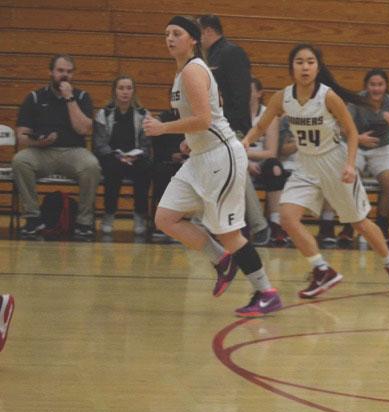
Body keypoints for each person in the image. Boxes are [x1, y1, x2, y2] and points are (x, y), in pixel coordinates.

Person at [242, 43, 389, 299]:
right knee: (286, 217)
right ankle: (322, 270)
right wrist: (245, 142)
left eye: (310, 62)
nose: (305, 67)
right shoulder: (283, 97)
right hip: (306, 164)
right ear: (292, 68)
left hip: (334, 162)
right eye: (299, 62)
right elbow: (261, 127)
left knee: (360, 223)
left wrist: (351, 165)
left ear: (318, 67)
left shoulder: (328, 96)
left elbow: (352, 133)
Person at [144, 16, 282, 317]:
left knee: (228, 231)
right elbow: (203, 121)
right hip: (200, 156)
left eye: (176, 33)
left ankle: (266, 291)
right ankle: (221, 260)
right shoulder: (183, 72)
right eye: (166, 33)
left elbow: (205, 120)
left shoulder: (194, 70)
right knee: (166, 217)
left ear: (193, 39)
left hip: (221, 156)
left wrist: (163, 128)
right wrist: (188, 140)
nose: (169, 38)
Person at [198, 14, 270, 245]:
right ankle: (227, 226)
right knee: (225, 175)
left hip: (229, 127)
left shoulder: (232, 53)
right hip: (213, 129)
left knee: (236, 173)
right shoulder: (211, 55)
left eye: (197, 34)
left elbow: (241, 94)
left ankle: (259, 226)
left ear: (208, 31)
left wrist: (232, 129)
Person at [12, 53, 102, 239]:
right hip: (41, 152)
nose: (64, 75)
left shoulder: (82, 96)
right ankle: (33, 218)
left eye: (69, 72)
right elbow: (21, 136)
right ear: (51, 72)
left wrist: (69, 98)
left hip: (74, 152)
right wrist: (37, 142)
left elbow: (84, 129)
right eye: (60, 71)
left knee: (91, 165)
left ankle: (83, 223)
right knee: (20, 160)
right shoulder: (35, 97)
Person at [93, 75, 153, 236]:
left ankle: (140, 214)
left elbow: (146, 143)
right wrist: (116, 155)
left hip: (136, 157)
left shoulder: (143, 114)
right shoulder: (103, 114)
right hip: (113, 157)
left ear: (133, 91)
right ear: (114, 91)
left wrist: (137, 155)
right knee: (113, 170)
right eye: (121, 88)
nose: (125, 92)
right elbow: (99, 144)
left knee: (145, 169)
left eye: (129, 88)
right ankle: (109, 214)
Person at [349, 68, 389, 240]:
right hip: (357, 146)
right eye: (372, 84)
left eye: (380, 85)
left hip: (381, 149)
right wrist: (358, 138)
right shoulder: (356, 101)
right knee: (350, 178)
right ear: (366, 86)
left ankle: (382, 226)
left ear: (386, 86)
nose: (376, 89)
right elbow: (342, 129)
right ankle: (349, 226)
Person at [245, 78, 288, 244]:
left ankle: (276, 223)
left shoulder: (267, 115)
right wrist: (246, 162)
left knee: (275, 168)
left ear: (259, 93)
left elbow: (271, 152)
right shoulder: (234, 114)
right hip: (240, 161)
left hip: (260, 161)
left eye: (249, 90)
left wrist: (249, 155)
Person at [149, 108, 186, 242]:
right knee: (161, 172)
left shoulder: (194, 117)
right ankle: (159, 223)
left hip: (189, 162)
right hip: (166, 161)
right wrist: (171, 155)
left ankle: (184, 222)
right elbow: (156, 147)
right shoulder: (163, 117)